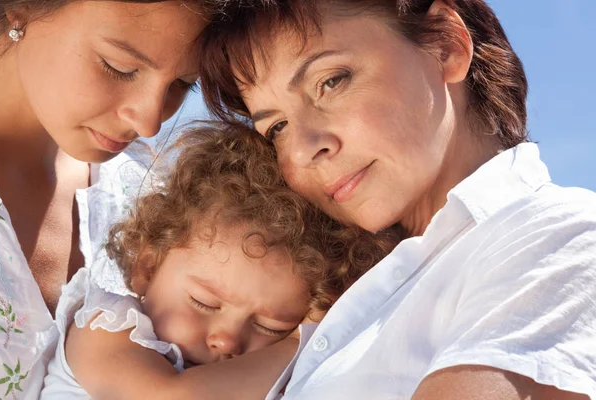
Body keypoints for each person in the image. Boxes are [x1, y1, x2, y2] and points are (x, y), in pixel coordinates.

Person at [196, 0, 596, 399]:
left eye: (331, 81)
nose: (301, 150)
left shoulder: (559, 236)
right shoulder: (329, 292)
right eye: (277, 127)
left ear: (446, 46)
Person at [40, 123, 397, 399]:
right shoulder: (106, 327)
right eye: (204, 303)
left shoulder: (252, 375)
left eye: (271, 327)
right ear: (147, 267)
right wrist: (300, 342)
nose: (227, 341)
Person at [0, 1, 208, 397]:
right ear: (21, 8)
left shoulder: (153, 193)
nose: (148, 121)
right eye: (120, 67)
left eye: (183, 84)